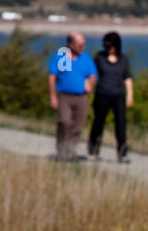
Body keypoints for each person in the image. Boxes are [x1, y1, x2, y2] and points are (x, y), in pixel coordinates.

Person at [47, 32, 96, 162]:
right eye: (80, 45)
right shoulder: (62, 56)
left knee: (78, 126)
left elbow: (92, 76)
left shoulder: (85, 57)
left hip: (81, 97)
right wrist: (53, 96)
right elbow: (52, 76)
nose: (83, 47)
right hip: (64, 95)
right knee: (65, 122)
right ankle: (62, 150)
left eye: (84, 44)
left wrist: (89, 89)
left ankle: (71, 152)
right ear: (71, 45)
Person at [88, 31, 134, 163]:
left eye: (110, 46)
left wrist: (130, 95)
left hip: (118, 95)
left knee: (121, 124)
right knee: (98, 122)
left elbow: (127, 77)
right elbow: (91, 75)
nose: (108, 49)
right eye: (106, 46)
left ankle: (122, 152)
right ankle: (93, 149)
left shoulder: (124, 59)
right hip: (102, 94)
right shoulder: (99, 57)